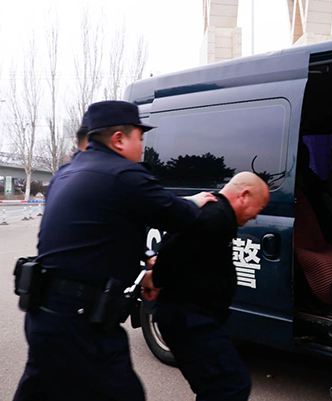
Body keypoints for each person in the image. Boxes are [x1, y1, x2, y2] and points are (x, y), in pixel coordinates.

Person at [13, 100, 216, 401]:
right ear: (119, 139)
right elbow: (177, 215)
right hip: (80, 322)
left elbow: (97, 233)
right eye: (140, 138)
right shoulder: (124, 174)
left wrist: (144, 262)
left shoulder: (65, 174)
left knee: (39, 391)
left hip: (44, 315)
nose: (143, 147)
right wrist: (197, 200)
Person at [151, 172, 270, 401]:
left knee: (219, 388)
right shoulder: (213, 217)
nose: (257, 215)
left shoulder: (219, 215)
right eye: (260, 207)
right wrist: (157, 280)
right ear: (244, 195)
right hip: (188, 320)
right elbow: (170, 251)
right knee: (231, 386)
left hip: (195, 318)